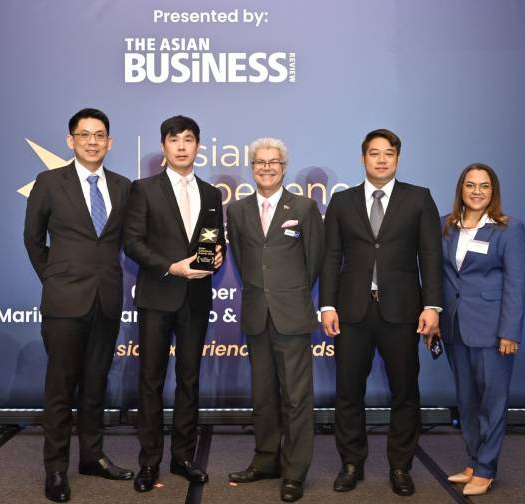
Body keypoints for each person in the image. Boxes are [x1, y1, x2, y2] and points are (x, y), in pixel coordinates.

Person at [320, 129, 442, 497]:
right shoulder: (342, 201)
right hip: (352, 311)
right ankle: (351, 464)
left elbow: (430, 255)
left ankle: (400, 466)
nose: (382, 159)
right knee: (348, 392)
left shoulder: (418, 198)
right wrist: (327, 304)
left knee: (405, 391)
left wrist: (432, 306)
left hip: (402, 311)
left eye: (389, 153)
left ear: (398, 158)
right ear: (363, 158)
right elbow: (331, 256)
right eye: (374, 153)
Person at [24, 108, 134, 503]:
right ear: (70, 140)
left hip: (107, 300)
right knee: (60, 388)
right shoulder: (49, 182)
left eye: (99, 135)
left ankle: (92, 456)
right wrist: (55, 278)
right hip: (64, 302)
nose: (92, 141)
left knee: (95, 384)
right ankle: (55, 469)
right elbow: (33, 238)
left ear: (110, 142)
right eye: (84, 134)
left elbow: (132, 240)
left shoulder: (123, 186)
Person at [123, 115, 225, 493]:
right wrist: (171, 266)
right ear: (163, 146)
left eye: (188, 139)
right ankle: (149, 462)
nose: (182, 146)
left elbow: (214, 240)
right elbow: (133, 242)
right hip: (157, 296)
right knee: (150, 381)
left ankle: (183, 458)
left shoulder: (212, 194)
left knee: (189, 379)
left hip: (195, 298)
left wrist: (217, 256)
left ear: (198, 145)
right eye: (174, 139)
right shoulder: (143, 189)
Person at [226, 138, 325, 502]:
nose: (266, 168)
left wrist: (288, 294)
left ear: (284, 167)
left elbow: (314, 260)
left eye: (273, 162)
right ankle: (266, 460)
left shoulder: (304, 207)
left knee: (296, 398)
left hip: (292, 315)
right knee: (263, 395)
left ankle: (294, 471)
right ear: (251, 167)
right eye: (260, 162)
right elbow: (241, 260)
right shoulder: (237, 211)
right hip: (256, 314)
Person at [429, 163, 525, 496]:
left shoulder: (508, 228)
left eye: (484, 186)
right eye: (470, 185)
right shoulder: (445, 224)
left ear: (493, 191)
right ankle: (474, 460)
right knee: (467, 400)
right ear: (461, 188)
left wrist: (510, 331)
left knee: (492, 401)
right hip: (454, 326)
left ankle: (486, 468)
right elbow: (439, 276)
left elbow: (516, 283)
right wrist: (436, 318)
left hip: (492, 330)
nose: (476, 191)